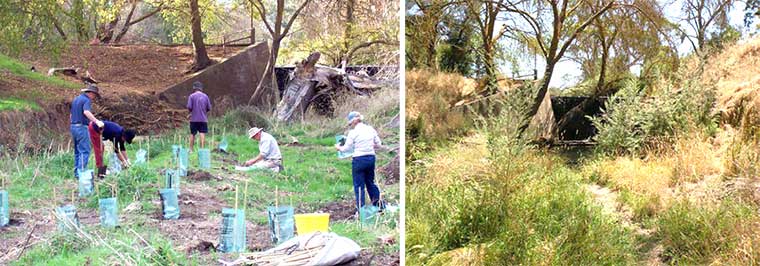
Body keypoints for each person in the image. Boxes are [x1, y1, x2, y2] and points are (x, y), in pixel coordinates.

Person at [335, 111, 383, 215]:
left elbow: (346, 149)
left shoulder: (353, 133)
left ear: (353, 122)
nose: (350, 125)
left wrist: (338, 147)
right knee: (370, 182)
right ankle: (379, 207)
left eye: (350, 123)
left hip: (358, 160)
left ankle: (361, 211)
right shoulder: (370, 129)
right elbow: (379, 144)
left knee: (359, 186)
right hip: (371, 158)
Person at [70, 84, 104, 179]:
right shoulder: (86, 100)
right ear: (91, 93)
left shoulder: (76, 99)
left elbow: (71, 115)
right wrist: (96, 121)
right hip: (81, 127)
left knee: (77, 151)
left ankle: (77, 173)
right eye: (94, 95)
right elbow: (86, 112)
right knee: (85, 150)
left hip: (73, 126)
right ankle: (81, 173)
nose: (94, 97)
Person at [187, 81, 211, 153]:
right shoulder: (205, 96)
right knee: (202, 133)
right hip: (203, 119)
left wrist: (192, 112)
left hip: (194, 119)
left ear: (194, 88)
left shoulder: (191, 96)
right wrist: (203, 112)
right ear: (201, 88)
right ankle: (202, 150)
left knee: (192, 134)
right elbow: (209, 108)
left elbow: (189, 107)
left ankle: (191, 150)